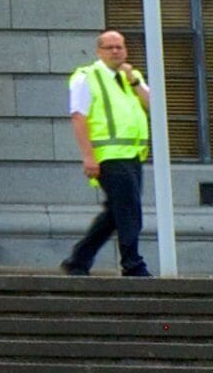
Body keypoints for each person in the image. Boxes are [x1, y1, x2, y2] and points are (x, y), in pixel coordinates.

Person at [64, 27, 159, 278]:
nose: (116, 51)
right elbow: (78, 117)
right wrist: (88, 156)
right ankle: (133, 264)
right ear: (99, 51)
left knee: (115, 213)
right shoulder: (86, 76)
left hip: (133, 155)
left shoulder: (131, 76)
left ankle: (78, 260)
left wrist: (135, 82)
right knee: (129, 210)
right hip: (108, 155)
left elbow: (154, 106)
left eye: (120, 46)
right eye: (110, 47)